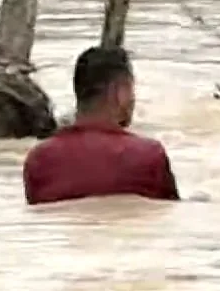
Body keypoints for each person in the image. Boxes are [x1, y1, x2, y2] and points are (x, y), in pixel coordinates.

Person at [23, 45, 180, 206]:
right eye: (131, 88)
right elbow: (169, 213)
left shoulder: (39, 159)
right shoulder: (147, 155)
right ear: (120, 92)